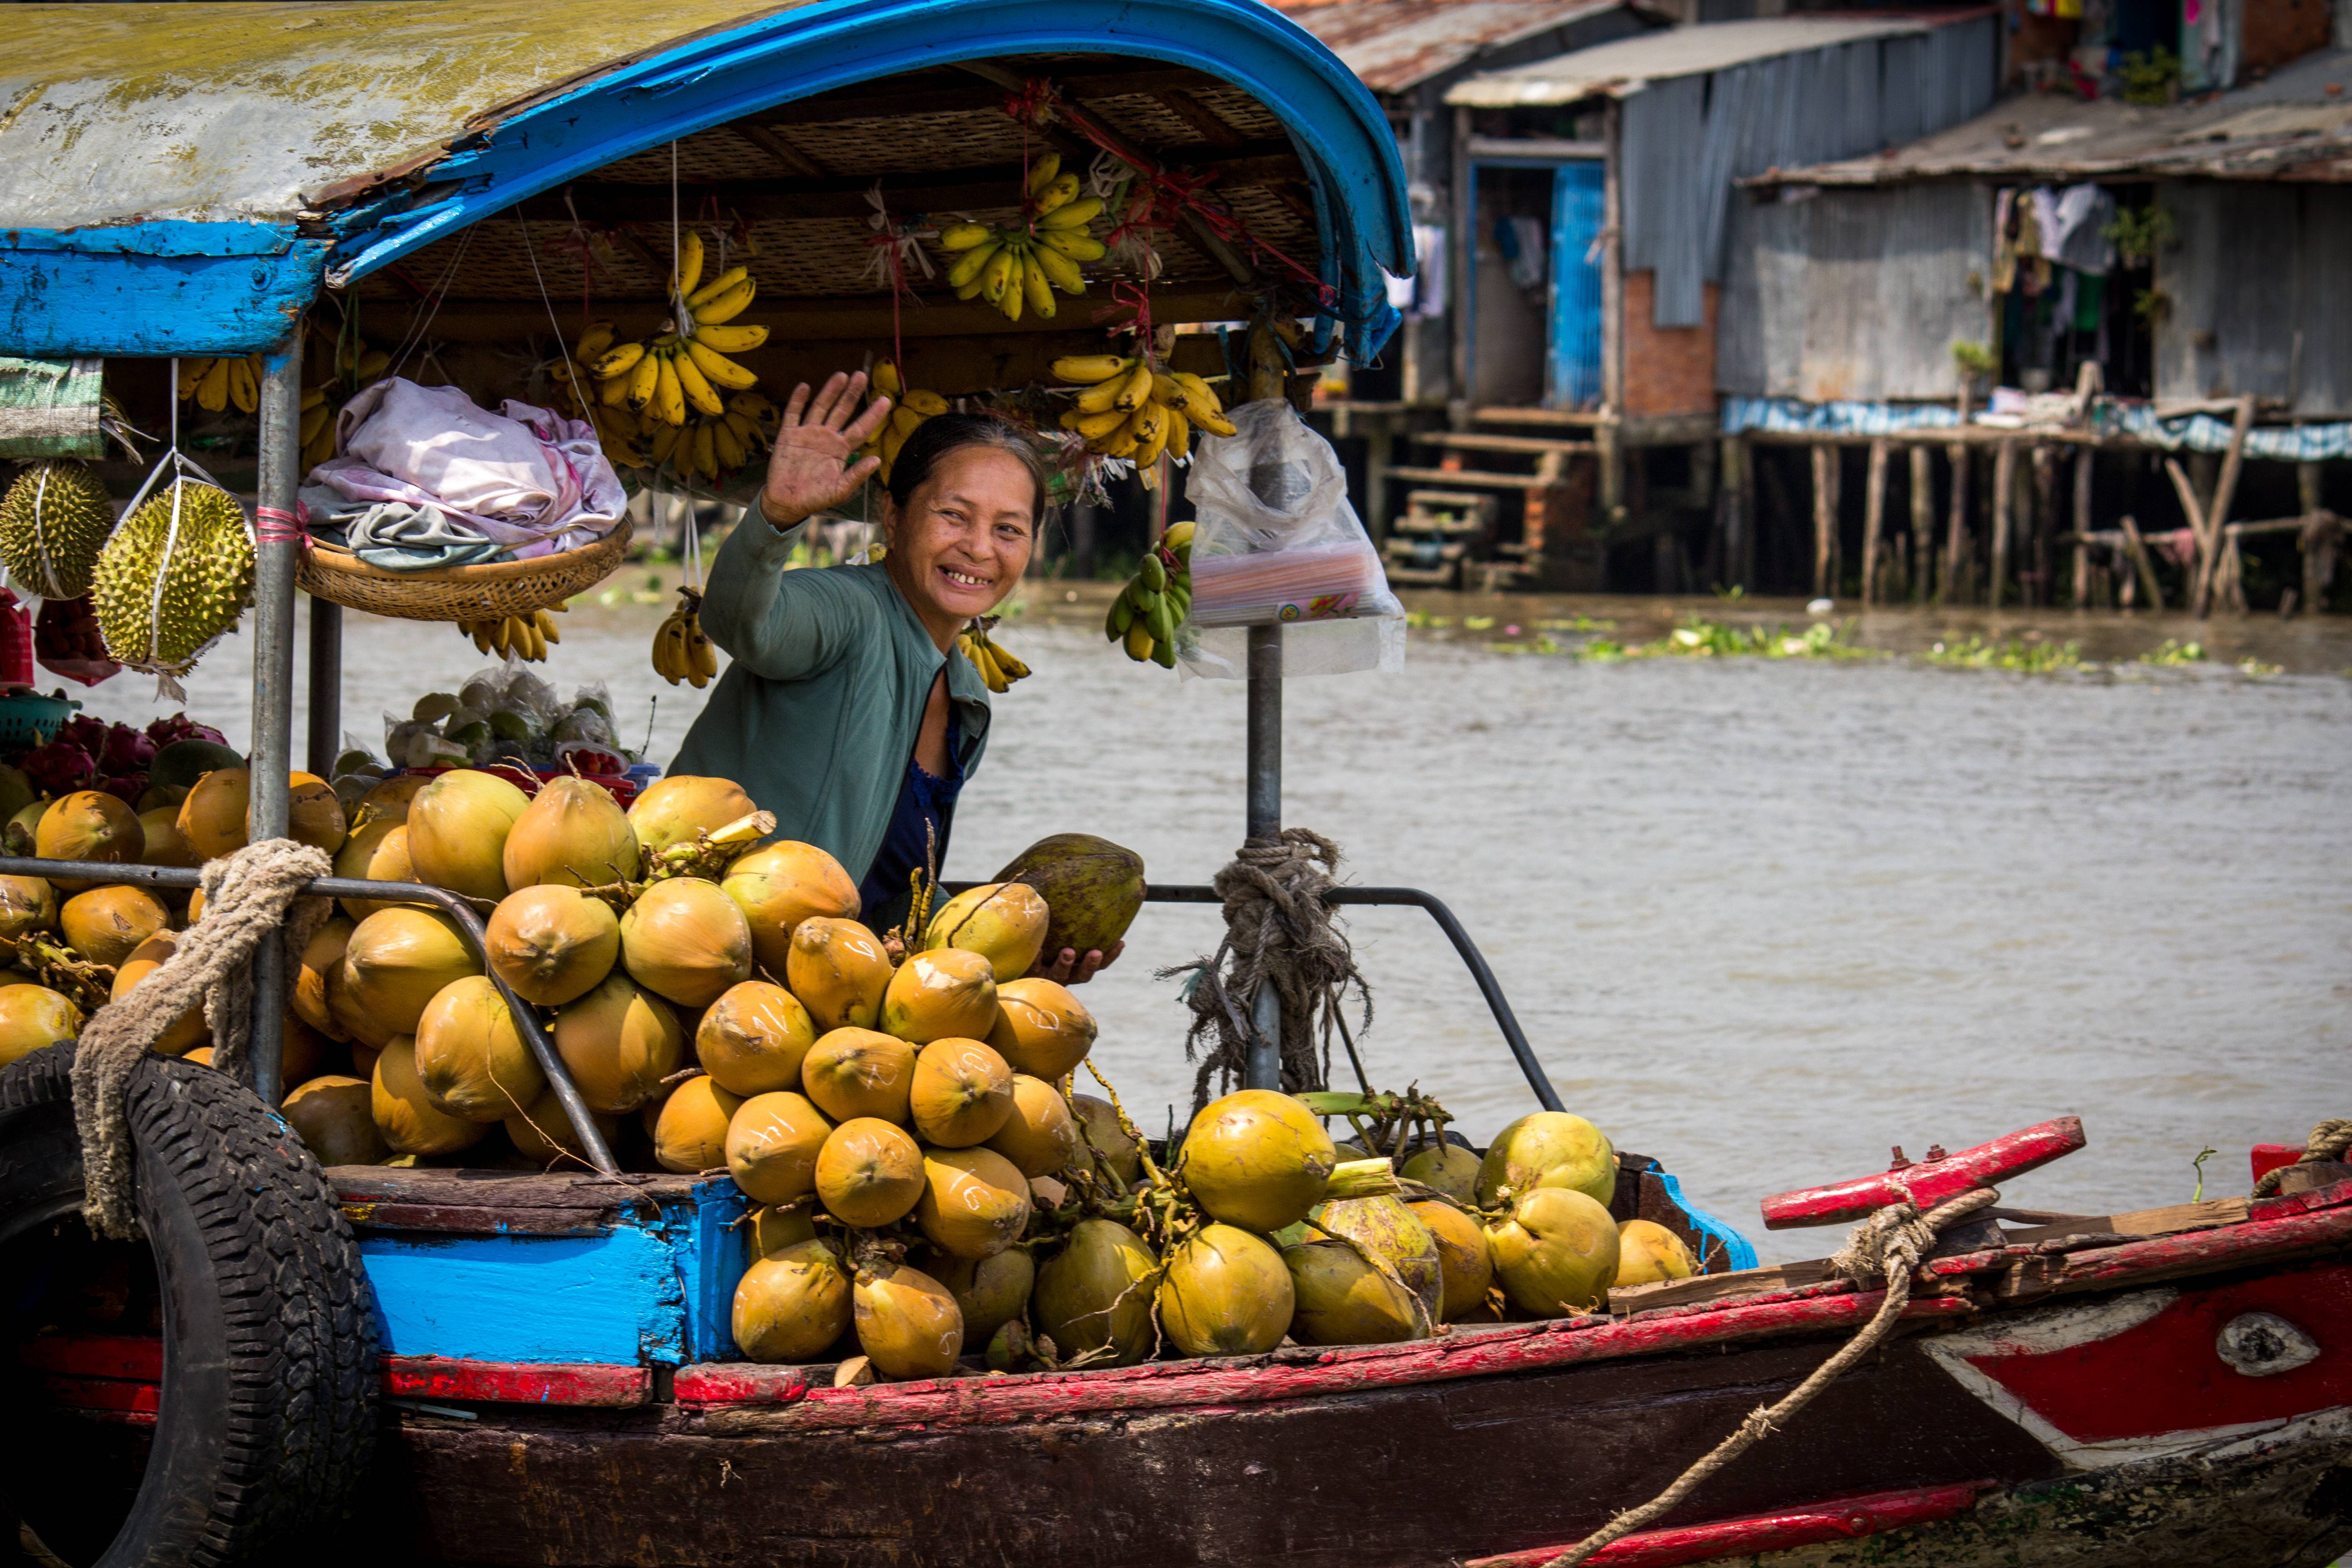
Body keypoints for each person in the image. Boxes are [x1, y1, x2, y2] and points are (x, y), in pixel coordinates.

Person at [671, 371, 1122, 984]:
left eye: (1009, 529)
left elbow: (889, 895)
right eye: (954, 515)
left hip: (813, 988)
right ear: (894, 515)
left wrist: (1011, 953)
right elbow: (741, 624)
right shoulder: (846, 610)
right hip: (697, 952)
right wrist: (774, 518)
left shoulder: (967, 699)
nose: (980, 548)